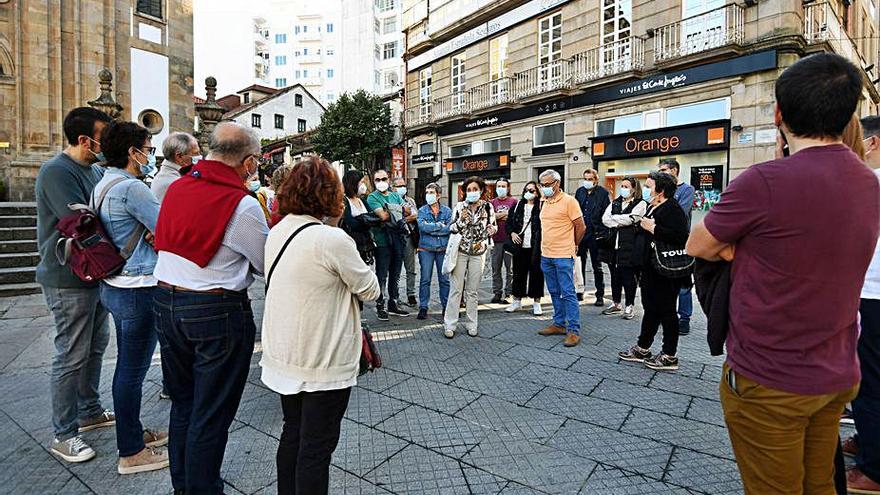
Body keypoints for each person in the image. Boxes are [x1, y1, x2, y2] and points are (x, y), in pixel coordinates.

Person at [686, 53, 879, 494]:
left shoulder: (765, 181)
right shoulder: (867, 181)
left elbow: (698, 244)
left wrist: (741, 247)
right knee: (820, 486)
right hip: (836, 372)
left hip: (770, 376)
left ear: (778, 114)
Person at [153, 121, 270, 494]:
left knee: (184, 405)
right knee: (211, 413)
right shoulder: (242, 204)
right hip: (214, 310)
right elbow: (266, 262)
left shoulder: (176, 187)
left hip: (166, 301)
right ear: (249, 162)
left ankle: (184, 486)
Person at [260, 157, 380, 495]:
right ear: (329, 197)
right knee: (316, 448)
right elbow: (371, 289)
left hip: (285, 354)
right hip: (322, 358)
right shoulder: (331, 239)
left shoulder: (278, 230)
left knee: (293, 434)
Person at [36, 107, 114, 463]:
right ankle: (63, 433)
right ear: (85, 139)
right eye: (103, 136)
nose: (106, 143)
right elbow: (81, 221)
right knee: (71, 353)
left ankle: (90, 411)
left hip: (94, 275)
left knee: (95, 345)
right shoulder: (56, 171)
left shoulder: (95, 169)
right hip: (67, 277)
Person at [94, 121, 169, 474]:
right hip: (138, 287)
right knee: (131, 370)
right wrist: (158, 235)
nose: (149, 154)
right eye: (148, 148)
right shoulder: (132, 188)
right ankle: (131, 451)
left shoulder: (103, 183)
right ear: (132, 151)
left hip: (114, 285)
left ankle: (133, 432)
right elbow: (167, 230)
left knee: (127, 366)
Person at [618, 172, 688, 371]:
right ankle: (643, 348)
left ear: (661, 190)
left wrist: (654, 228)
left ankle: (669, 355)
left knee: (667, 311)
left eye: (649, 186)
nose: (645, 189)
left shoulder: (672, 208)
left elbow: (680, 236)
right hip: (650, 268)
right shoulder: (652, 205)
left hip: (665, 270)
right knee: (650, 308)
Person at [845, 114, 880, 494]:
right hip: (869, 292)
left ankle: (873, 469)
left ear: (871, 142)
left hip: (871, 295)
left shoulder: (870, 182)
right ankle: (866, 439)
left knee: (870, 381)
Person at [535, 170, 586, 347]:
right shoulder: (543, 201)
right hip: (546, 254)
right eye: (542, 185)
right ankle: (559, 324)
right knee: (554, 292)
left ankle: (573, 330)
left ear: (557, 183)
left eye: (547, 185)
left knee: (568, 292)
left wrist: (574, 245)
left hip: (563, 254)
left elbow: (581, 226)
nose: (544, 188)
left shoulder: (569, 201)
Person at [444, 176, 497, 338]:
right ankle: (450, 325)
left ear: (481, 190)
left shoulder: (488, 207)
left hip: (478, 253)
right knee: (456, 289)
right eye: (469, 190)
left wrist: (491, 229)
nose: (472, 192)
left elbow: (493, 226)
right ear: (464, 192)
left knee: (473, 292)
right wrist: (462, 221)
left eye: (475, 189)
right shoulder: (460, 207)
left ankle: (471, 324)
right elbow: (451, 228)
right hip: (460, 252)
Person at [601, 177, 647, 320]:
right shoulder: (615, 202)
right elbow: (605, 219)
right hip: (612, 245)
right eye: (623, 186)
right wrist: (620, 221)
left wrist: (616, 219)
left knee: (628, 277)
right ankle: (616, 303)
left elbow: (633, 218)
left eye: (627, 186)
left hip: (629, 245)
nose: (624, 189)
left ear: (634, 188)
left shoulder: (641, 204)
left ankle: (629, 305)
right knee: (614, 276)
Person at [658, 158, 695, 335]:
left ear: (674, 170)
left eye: (664, 170)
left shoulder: (687, 190)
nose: (661, 173)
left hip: (681, 242)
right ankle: (667, 314)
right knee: (666, 281)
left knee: (684, 283)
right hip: (663, 240)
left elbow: (678, 212)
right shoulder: (662, 190)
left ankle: (685, 318)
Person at [367, 169, 410, 320]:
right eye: (377, 180)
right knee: (382, 274)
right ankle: (380, 305)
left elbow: (408, 211)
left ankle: (393, 302)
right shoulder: (372, 197)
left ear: (389, 180)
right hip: (382, 240)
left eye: (383, 178)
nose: (381, 182)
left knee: (396, 273)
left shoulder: (394, 195)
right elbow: (384, 215)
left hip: (398, 238)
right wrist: (398, 211)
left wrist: (393, 209)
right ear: (374, 182)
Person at [505, 181, 544, 315]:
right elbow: (508, 223)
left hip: (536, 246)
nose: (529, 192)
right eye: (527, 190)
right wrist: (512, 233)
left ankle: (537, 303)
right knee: (518, 273)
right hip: (520, 246)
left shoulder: (542, 206)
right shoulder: (517, 206)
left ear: (537, 192)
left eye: (532, 190)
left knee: (537, 274)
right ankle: (516, 301)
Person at [416, 182, 452, 320]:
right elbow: (422, 227)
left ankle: (446, 306)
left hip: (443, 249)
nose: (428, 195)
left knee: (444, 280)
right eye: (427, 192)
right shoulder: (422, 210)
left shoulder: (447, 211)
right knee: (425, 279)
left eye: (431, 193)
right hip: (426, 249)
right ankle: (423, 307)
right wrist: (439, 226)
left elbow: (449, 228)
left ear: (438, 195)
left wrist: (433, 228)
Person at [574, 168, 611, 306]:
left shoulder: (603, 193)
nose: (587, 181)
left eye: (590, 179)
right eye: (585, 178)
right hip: (582, 233)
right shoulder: (580, 192)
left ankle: (599, 295)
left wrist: (603, 231)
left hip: (596, 234)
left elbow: (607, 213)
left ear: (595, 180)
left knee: (597, 266)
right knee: (579, 264)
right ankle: (579, 291)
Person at [340, 170, 379, 267]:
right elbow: (351, 223)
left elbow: (374, 218)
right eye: (361, 182)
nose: (364, 185)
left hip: (367, 244)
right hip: (352, 245)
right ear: (353, 183)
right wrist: (366, 221)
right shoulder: (344, 201)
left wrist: (362, 220)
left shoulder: (362, 201)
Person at [490, 178, 518, 303]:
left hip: (509, 241)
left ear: (508, 188)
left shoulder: (514, 201)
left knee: (510, 269)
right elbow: (491, 217)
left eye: (503, 186)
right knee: (496, 268)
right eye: (499, 186)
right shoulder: (491, 203)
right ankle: (497, 292)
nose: (501, 188)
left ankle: (509, 293)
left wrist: (498, 216)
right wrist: (505, 214)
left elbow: (514, 218)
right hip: (495, 240)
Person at [393, 176, 419, 307]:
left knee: (411, 268)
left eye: (403, 185)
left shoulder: (410, 201)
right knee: (395, 268)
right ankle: (395, 295)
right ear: (393, 188)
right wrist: (405, 217)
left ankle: (411, 294)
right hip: (396, 238)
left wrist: (402, 219)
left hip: (409, 237)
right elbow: (392, 218)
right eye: (398, 186)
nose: (402, 188)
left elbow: (415, 215)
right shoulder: (391, 200)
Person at [152, 132, 200, 203]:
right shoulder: (173, 182)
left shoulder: (170, 175)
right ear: (179, 156)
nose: (199, 157)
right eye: (195, 154)